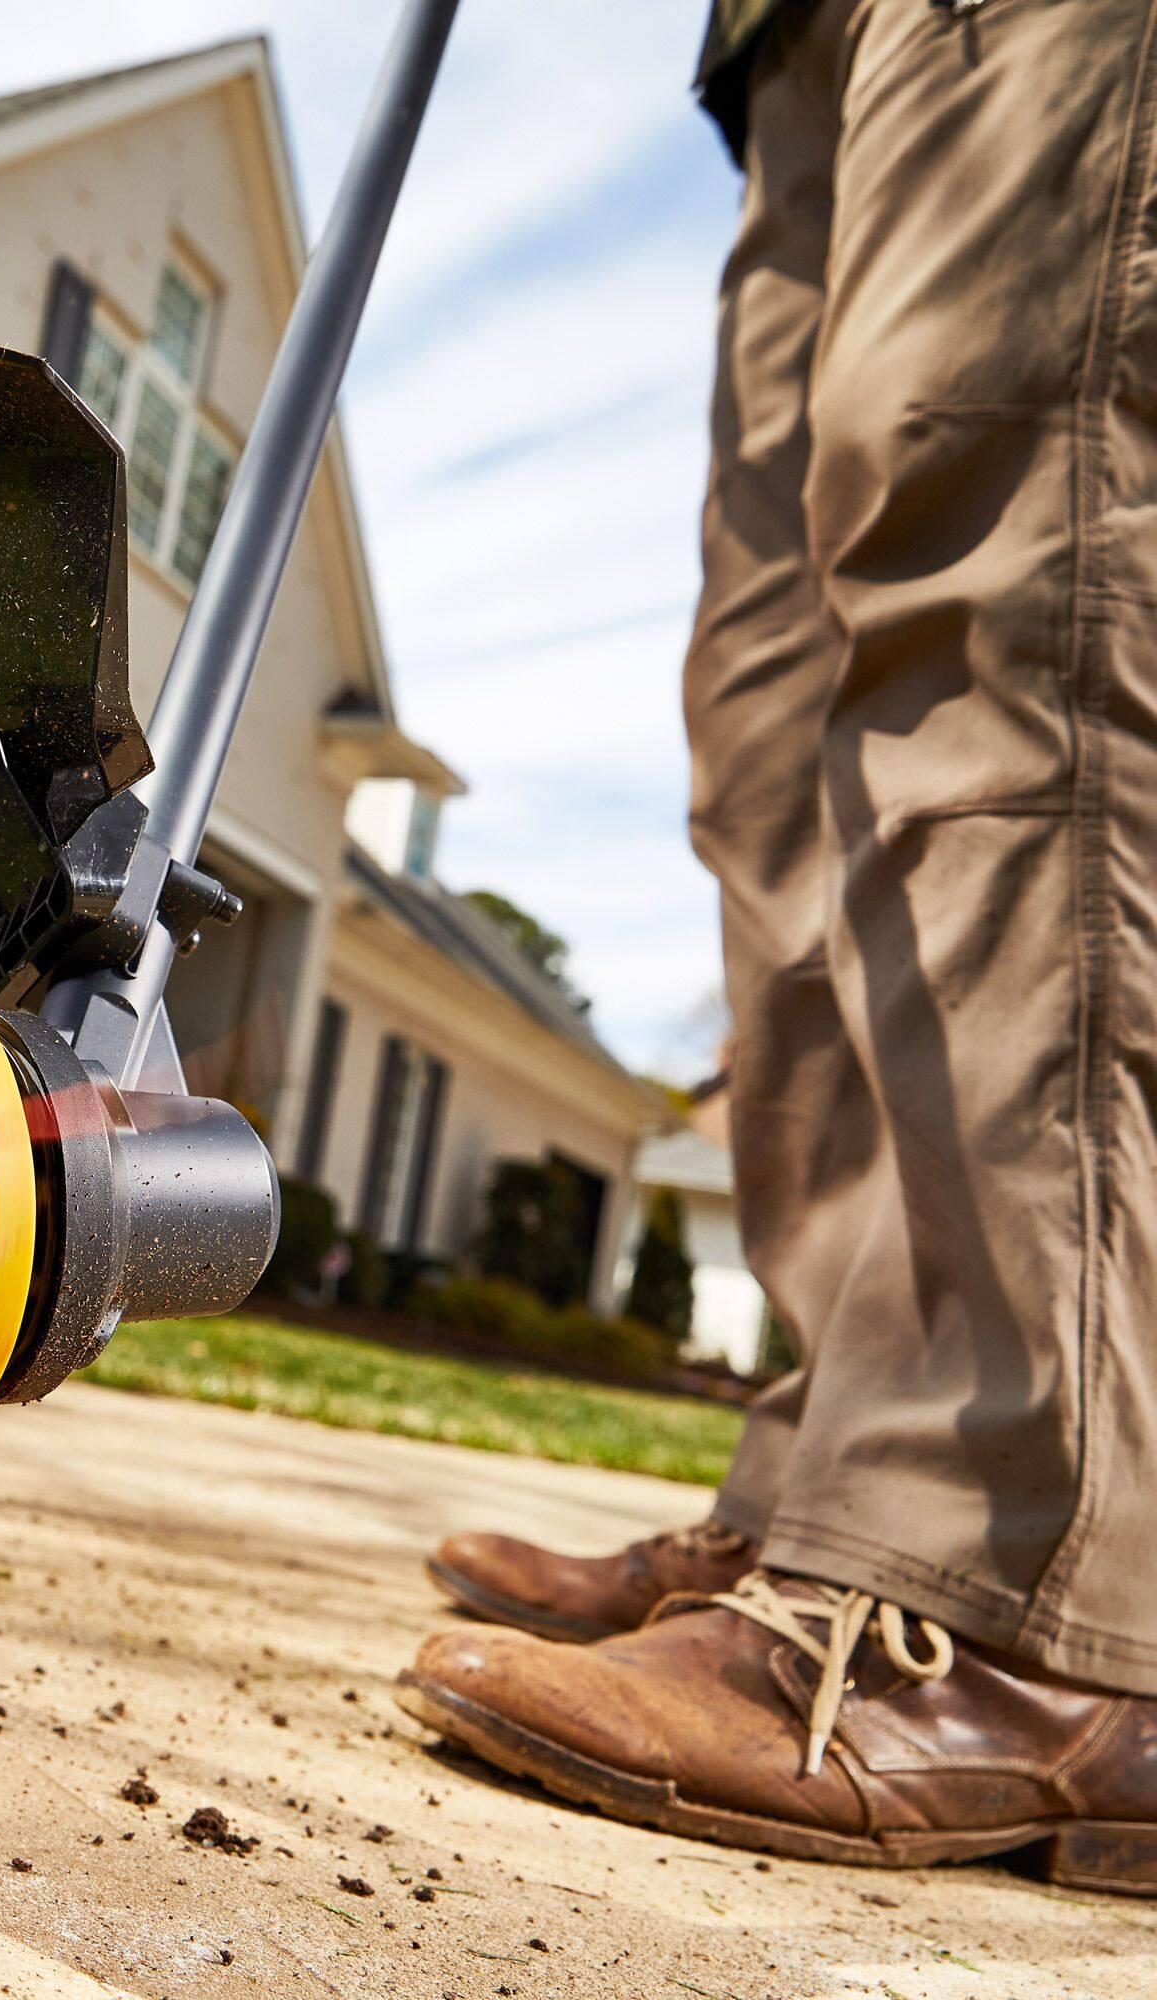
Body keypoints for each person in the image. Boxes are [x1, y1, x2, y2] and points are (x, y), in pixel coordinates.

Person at [396, 0, 1157, 1895]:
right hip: (783, 40)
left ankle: (1019, 1603)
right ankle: (841, 1488)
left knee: (1003, 569)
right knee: (773, 715)